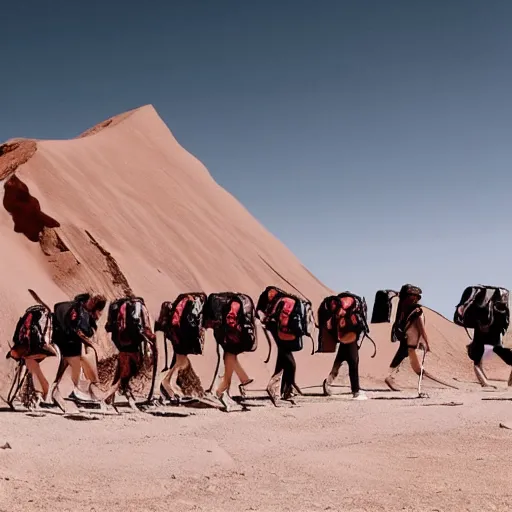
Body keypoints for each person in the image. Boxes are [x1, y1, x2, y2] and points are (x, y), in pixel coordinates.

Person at [51, 293, 107, 407]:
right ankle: (78, 394)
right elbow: (79, 331)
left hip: (63, 341)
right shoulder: (80, 311)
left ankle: (56, 394)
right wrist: (90, 342)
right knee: (78, 369)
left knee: (64, 370)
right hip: (71, 344)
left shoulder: (80, 309)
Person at [105, 296, 156, 409]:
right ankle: (120, 395)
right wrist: (152, 338)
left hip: (121, 343)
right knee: (127, 372)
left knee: (122, 371)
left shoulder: (120, 307)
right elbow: (145, 326)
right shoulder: (139, 307)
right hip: (133, 344)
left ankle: (113, 397)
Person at [385, 285, 430, 391]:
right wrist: (427, 342)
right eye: (416, 296)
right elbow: (421, 328)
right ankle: (390, 376)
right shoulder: (416, 310)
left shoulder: (403, 307)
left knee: (402, 354)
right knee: (403, 355)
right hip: (410, 339)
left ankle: (392, 376)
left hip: (404, 336)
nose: (418, 298)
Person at [322, 295, 367, 400]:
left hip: (347, 341)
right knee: (353, 365)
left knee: (338, 365)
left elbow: (359, 328)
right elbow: (360, 328)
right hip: (349, 341)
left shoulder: (349, 314)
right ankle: (356, 391)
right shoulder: (343, 316)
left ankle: (327, 383)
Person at [467, 323, 512, 388]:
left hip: (483, 331)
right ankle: (485, 383)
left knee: (477, 361)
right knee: (497, 349)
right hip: (492, 331)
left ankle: (484, 383)